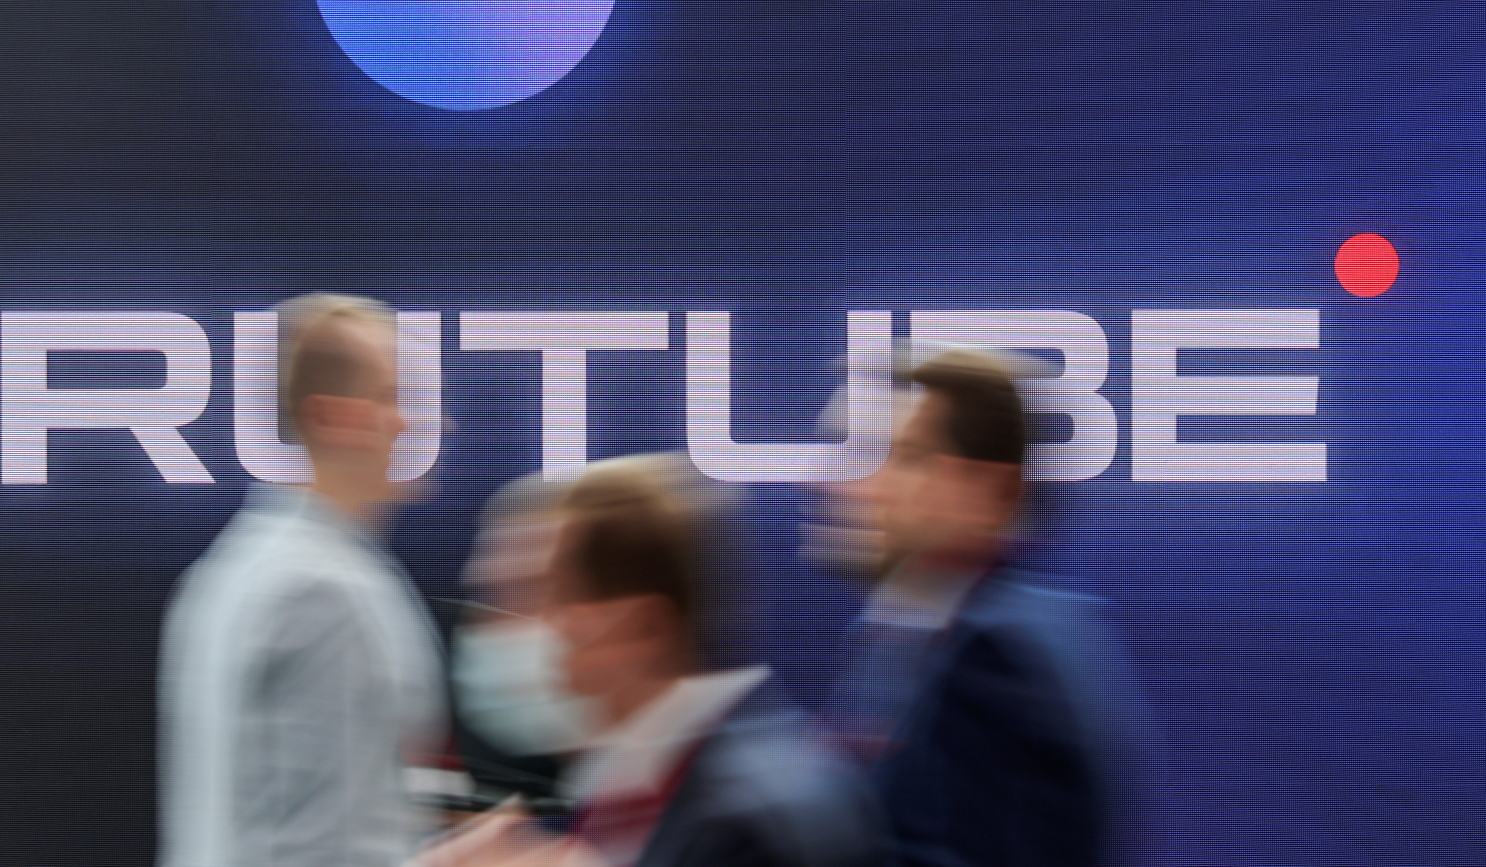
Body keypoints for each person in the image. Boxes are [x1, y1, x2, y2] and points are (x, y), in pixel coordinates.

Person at [421, 455, 886, 867]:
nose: (487, 627)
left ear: (644, 626)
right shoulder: (619, 795)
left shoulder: (758, 819)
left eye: (524, 596)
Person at [825, 347, 1152, 867]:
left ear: (993, 492)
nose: (857, 487)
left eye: (905, 457)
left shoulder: (994, 661)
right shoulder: (951, 633)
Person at [158, 293, 444, 867]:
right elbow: (329, 847)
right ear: (328, 417)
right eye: (389, 396)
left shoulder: (231, 572)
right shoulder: (327, 593)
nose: (405, 421)